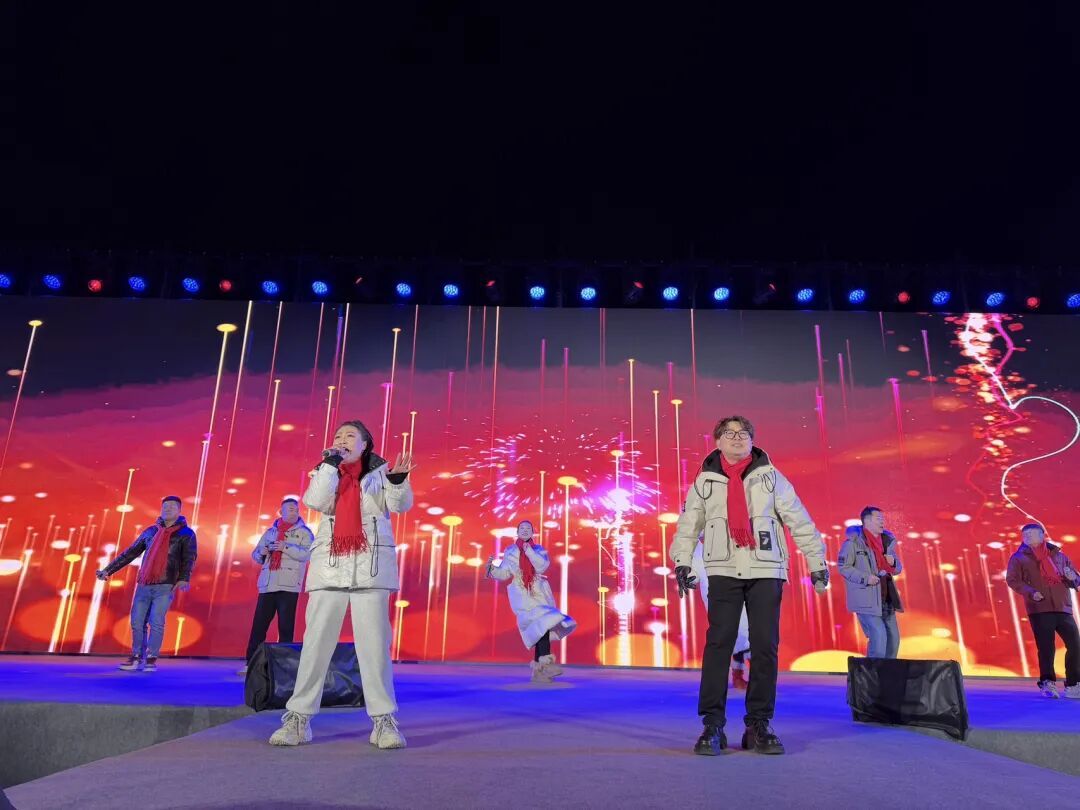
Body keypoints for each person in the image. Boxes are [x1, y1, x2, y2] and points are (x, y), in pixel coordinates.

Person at [670, 415, 829, 756]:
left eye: (743, 433)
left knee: (765, 646)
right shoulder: (704, 480)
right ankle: (712, 725)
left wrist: (817, 562)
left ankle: (759, 724)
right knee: (718, 646)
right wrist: (682, 560)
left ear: (752, 440)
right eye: (729, 433)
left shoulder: (771, 476)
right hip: (723, 566)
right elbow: (689, 523)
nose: (737, 438)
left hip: (766, 568)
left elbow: (799, 519)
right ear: (717, 441)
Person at [269, 420, 415, 748]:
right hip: (330, 567)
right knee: (316, 646)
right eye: (338, 436)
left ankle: (383, 721)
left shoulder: (381, 473)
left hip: (370, 567)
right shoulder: (326, 470)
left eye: (350, 436)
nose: (342, 439)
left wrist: (398, 481)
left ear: (365, 444)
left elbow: (400, 505)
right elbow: (315, 501)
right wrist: (330, 465)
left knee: (374, 648)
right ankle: (298, 719)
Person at [96, 495, 197, 672]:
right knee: (137, 622)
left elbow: (189, 558)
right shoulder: (151, 531)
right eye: (165, 506)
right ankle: (136, 657)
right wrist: (108, 570)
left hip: (166, 584)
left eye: (172, 507)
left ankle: (151, 659)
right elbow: (130, 553)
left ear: (179, 510)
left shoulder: (186, 534)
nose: (168, 509)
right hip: (144, 583)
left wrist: (184, 578)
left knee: (156, 621)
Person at [485, 520, 577, 682]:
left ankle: (541, 669)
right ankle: (544, 667)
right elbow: (505, 573)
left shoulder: (538, 549)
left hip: (538, 591)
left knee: (543, 626)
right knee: (539, 628)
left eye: (528, 528)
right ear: (517, 531)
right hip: (522, 594)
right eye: (522, 528)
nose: (525, 530)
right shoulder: (510, 550)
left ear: (532, 532)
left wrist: (529, 552)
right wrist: (492, 569)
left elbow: (542, 567)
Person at [240, 497, 315, 675]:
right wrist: (262, 552)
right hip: (267, 584)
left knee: (286, 628)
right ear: (281, 512)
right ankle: (251, 664)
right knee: (259, 626)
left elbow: (308, 554)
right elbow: (255, 554)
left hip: (288, 585)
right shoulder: (270, 532)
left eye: (296, 509)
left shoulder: (304, 532)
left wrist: (285, 547)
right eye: (290, 509)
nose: (294, 511)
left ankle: (284, 667)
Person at [1006, 523, 1080, 699]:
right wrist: (1031, 592)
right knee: (1046, 647)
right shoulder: (1018, 558)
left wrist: (1073, 578)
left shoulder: (1059, 556)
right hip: (1039, 608)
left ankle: (1073, 684)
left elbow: (1074, 579)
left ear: (1042, 535)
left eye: (1032, 534)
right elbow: (1012, 580)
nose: (1027, 537)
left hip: (1063, 607)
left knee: (1076, 645)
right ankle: (1047, 682)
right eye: (1025, 535)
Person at [838, 506, 904, 659]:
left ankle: (887, 673)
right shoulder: (853, 543)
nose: (882, 522)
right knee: (879, 639)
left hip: (887, 598)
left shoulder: (887, 542)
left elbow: (898, 568)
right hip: (866, 599)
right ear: (867, 521)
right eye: (878, 519)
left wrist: (893, 562)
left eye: (882, 519)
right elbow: (844, 567)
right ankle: (872, 673)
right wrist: (865, 578)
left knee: (893, 641)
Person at [692, 541, 751, 688]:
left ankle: (750, 675)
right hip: (715, 591)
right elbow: (693, 571)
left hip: (739, 582)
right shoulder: (696, 546)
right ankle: (735, 675)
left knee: (747, 629)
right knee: (731, 632)